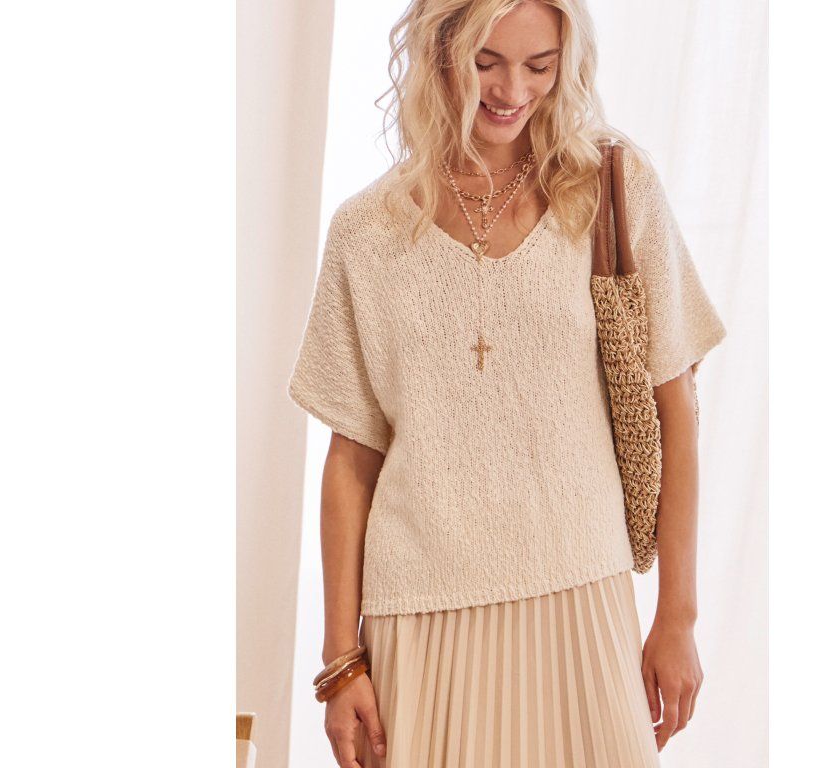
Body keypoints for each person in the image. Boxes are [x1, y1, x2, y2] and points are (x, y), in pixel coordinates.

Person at [287, 0, 727, 765]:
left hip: (581, 598)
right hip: (420, 615)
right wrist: (340, 662)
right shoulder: (366, 232)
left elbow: (676, 402)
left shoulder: (610, 188)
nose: (511, 91)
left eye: (538, 66)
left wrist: (678, 617)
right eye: (485, 62)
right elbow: (351, 460)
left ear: (566, 63)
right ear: (439, 49)